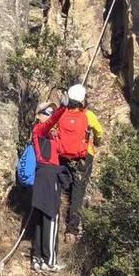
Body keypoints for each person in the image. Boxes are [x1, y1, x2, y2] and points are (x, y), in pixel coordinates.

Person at [33, 83, 103, 237]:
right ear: (82, 100)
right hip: (83, 157)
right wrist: (97, 141)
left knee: (59, 189)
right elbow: (99, 132)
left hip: (62, 156)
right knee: (78, 191)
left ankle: (53, 220)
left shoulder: (61, 114)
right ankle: (71, 230)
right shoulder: (88, 115)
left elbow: (51, 129)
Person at [28, 106, 64, 273]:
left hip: (45, 175)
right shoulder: (39, 130)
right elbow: (51, 122)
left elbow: (63, 149)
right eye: (47, 113)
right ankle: (49, 260)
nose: (50, 116)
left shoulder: (51, 137)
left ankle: (38, 257)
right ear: (40, 115)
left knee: (41, 216)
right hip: (47, 175)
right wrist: (64, 108)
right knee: (51, 216)